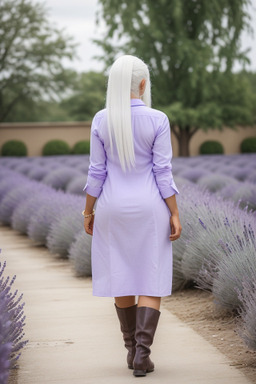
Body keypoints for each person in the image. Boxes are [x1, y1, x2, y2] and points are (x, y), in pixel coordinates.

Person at [83, 54, 182, 377]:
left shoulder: (101, 120)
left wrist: (88, 210)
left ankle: (130, 350)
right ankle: (143, 355)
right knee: (150, 278)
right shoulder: (158, 119)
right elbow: (163, 172)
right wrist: (175, 213)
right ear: (143, 84)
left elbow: (96, 172)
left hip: (111, 208)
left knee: (121, 274)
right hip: (150, 209)